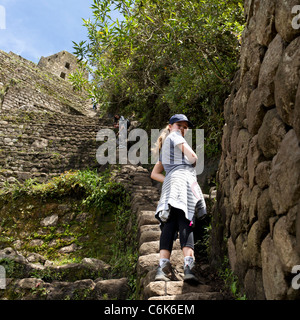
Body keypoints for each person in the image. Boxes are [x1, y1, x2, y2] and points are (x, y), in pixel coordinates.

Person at [151, 114, 207, 283]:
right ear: (170, 126)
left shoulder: (166, 147)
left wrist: (169, 178)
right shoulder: (174, 137)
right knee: (186, 221)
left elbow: (155, 174)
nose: (182, 129)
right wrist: (193, 160)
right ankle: (188, 267)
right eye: (179, 125)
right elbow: (193, 158)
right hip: (183, 185)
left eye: (185, 127)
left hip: (171, 187)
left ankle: (162, 267)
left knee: (169, 224)